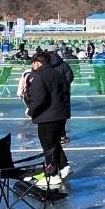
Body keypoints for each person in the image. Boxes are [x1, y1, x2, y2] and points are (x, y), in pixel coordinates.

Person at [24, 51, 71, 186]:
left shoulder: (40, 76)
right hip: (60, 114)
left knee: (48, 145)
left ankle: (53, 174)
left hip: (47, 116)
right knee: (55, 142)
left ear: (37, 63)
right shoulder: (57, 74)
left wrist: (31, 111)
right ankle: (63, 166)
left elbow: (39, 98)